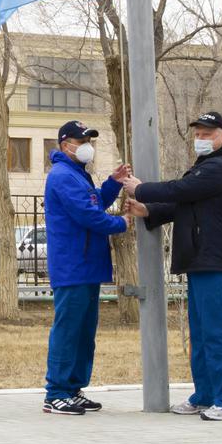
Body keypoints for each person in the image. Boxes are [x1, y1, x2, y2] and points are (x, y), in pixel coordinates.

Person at [123, 110, 222, 422]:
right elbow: (183, 206)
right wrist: (148, 210)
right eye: (198, 134)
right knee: (201, 333)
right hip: (200, 260)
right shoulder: (203, 168)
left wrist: (142, 188)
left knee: (219, 332)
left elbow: (179, 190)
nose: (201, 139)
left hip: (216, 261)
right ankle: (204, 396)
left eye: (208, 133)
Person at [41, 120, 132, 415]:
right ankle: (56, 392)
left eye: (88, 141)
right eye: (82, 141)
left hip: (88, 265)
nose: (86, 147)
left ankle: (73, 388)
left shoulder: (79, 175)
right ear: (65, 144)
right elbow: (88, 216)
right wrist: (122, 223)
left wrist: (113, 183)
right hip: (73, 266)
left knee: (84, 331)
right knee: (68, 330)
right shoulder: (63, 176)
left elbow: (95, 203)